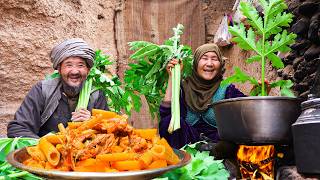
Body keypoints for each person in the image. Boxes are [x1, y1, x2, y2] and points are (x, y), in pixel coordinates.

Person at [7, 38, 108, 138]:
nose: (75, 71)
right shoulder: (43, 90)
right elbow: (18, 128)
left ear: (88, 70)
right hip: (45, 151)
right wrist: (46, 145)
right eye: (69, 65)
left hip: (83, 151)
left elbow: (110, 131)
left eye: (80, 65)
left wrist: (92, 123)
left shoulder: (97, 94)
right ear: (59, 69)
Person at [159, 43, 245, 149]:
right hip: (187, 147)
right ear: (195, 63)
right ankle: (178, 161)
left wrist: (262, 90)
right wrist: (172, 77)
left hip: (217, 149)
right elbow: (166, 114)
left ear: (220, 64)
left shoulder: (226, 89)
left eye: (214, 59)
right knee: (167, 122)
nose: (209, 63)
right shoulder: (184, 88)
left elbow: (248, 109)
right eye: (204, 58)